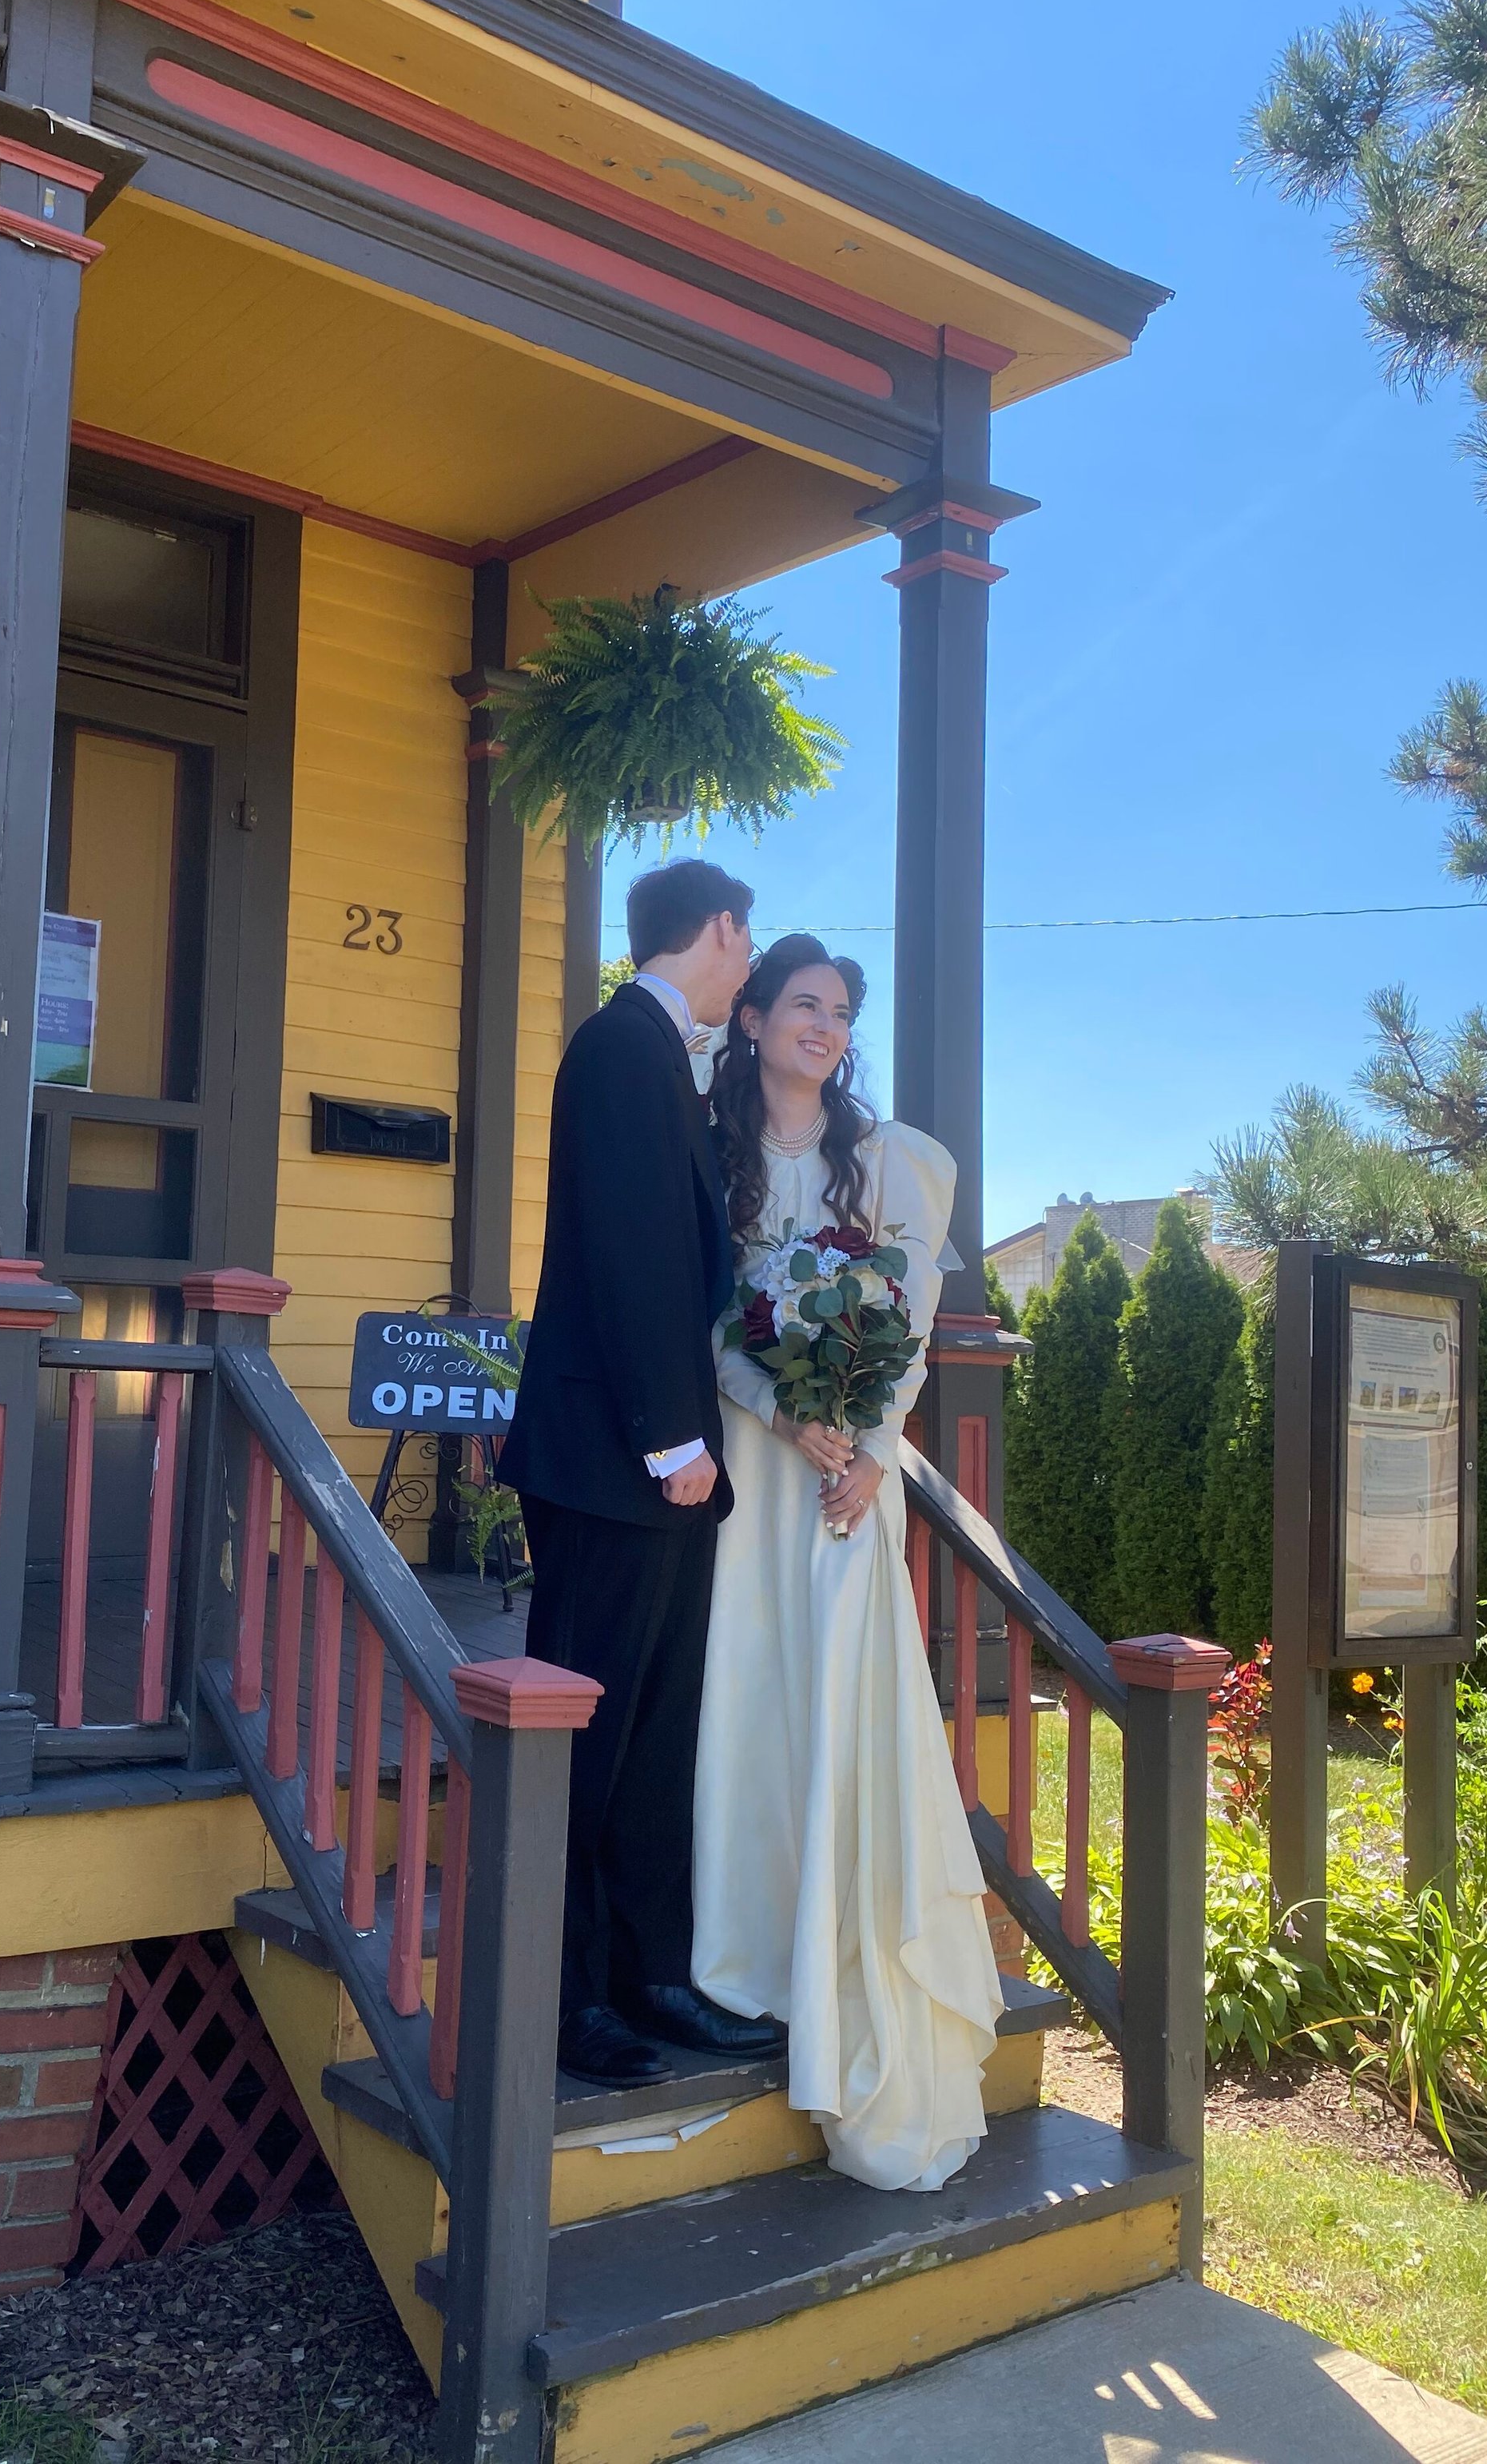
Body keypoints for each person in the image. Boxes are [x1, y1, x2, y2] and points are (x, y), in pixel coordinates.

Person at [691, 933, 1004, 2189]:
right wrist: (772, 1402)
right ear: (753, 1016)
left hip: (844, 1483)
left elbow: (913, 1323)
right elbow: (701, 1314)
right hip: (752, 1459)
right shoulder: (708, 1155)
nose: (823, 1026)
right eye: (802, 1005)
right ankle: (751, 1955)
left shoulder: (888, 1162)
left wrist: (871, 1448)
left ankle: (851, 1969)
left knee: (838, 1697)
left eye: (841, 1011)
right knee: (750, 1691)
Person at [499, 861, 788, 2091]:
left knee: (659, 1730)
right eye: (747, 939)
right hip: (615, 1460)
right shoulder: (619, 1045)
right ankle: (566, 1998)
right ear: (718, 929)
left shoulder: (670, 1057)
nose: (750, 962)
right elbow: (623, 1251)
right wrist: (674, 1438)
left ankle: (651, 1975)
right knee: (595, 1731)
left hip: (664, 1465)